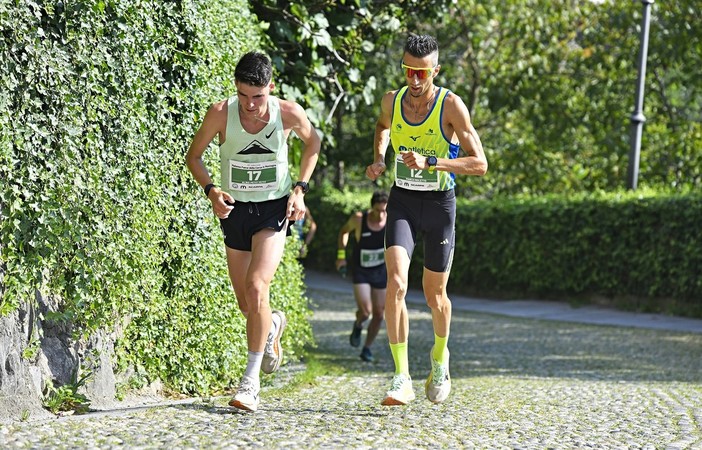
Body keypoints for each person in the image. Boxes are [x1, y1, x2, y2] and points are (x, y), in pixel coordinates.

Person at [186, 51, 321, 412]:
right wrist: (211, 190)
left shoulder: (288, 112)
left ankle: (250, 383)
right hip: (235, 211)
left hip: (274, 210)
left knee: (258, 285)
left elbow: (313, 144)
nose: (250, 105)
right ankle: (274, 324)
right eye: (243, 95)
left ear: (270, 88)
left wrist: (300, 189)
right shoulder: (220, 113)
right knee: (248, 304)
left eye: (257, 97)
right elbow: (193, 157)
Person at [366, 34, 488, 406]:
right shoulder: (392, 99)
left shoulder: (451, 106)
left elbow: (480, 163)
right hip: (402, 200)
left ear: (435, 70)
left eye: (422, 73)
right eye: (408, 71)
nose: (414, 80)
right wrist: (381, 158)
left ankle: (439, 357)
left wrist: (433, 162)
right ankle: (401, 377)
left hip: (439, 205)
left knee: (436, 297)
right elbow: (383, 127)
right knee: (396, 284)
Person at [335, 191, 389, 363]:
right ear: (371, 208)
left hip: (380, 272)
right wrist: (341, 256)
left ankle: (367, 348)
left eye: (383, 211)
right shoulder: (359, 219)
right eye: (377, 211)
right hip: (362, 271)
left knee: (380, 314)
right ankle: (358, 324)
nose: (380, 215)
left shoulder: (392, 220)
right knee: (366, 311)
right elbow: (343, 232)